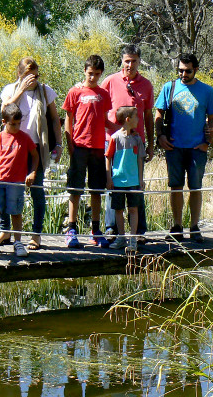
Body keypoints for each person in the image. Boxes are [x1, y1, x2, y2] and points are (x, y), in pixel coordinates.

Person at [154, 53, 213, 243]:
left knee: (196, 188)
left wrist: (207, 142)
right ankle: (176, 227)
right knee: (175, 187)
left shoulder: (206, 91)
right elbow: (158, 114)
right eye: (181, 70)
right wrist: (160, 137)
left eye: (188, 71)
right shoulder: (169, 87)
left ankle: (194, 227)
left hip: (196, 148)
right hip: (174, 147)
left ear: (196, 70)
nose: (183, 74)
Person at [0, 57, 62, 250]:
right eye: (28, 75)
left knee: (37, 191)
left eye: (35, 75)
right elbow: (5, 111)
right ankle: (5, 230)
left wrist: (58, 145)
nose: (32, 79)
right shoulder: (10, 90)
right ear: (20, 74)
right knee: (6, 188)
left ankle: (36, 234)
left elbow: (54, 119)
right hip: (11, 148)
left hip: (36, 147)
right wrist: (20, 91)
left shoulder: (45, 91)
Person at [62, 55, 118, 248]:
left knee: (96, 190)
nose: (92, 77)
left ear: (101, 74)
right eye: (89, 73)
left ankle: (96, 230)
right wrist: (69, 144)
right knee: (75, 189)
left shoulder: (104, 94)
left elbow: (105, 120)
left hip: (98, 148)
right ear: (84, 71)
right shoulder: (75, 92)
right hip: (79, 146)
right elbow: (68, 119)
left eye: (96, 74)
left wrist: (123, 129)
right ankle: (71, 229)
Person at [99, 44, 154, 241]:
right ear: (121, 61)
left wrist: (151, 143)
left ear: (139, 62)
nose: (130, 65)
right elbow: (99, 106)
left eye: (134, 61)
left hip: (136, 145)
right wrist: (115, 131)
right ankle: (111, 228)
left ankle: (138, 231)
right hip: (113, 143)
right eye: (127, 61)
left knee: (136, 184)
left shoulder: (146, 85)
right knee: (113, 185)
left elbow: (148, 116)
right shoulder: (110, 81)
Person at [0, 103, 39, 257]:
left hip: (17, 182)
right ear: (4, 122)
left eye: (18, 124)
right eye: (13, 124)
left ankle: (18, 242)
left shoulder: (24, 138)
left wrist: (32, 173)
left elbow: (35, 155)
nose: (16, 127)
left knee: (16, 211)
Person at [105, 106, 145, 253]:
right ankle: (121, 237)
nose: (138, 119)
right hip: (118, 180)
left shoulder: (137, 139)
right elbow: (108, 158)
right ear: (128, 120)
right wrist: (109, 178)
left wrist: (140, 179)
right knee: (119, 210)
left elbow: (140, 160)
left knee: (134, 209)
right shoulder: (115, 138)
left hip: (133, 181)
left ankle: (133, 239)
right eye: (136, 116)